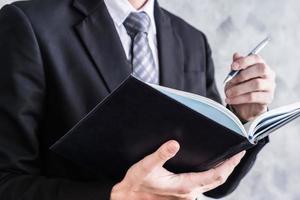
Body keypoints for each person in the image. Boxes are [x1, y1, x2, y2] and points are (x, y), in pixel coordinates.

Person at [0, 0, 276, 199]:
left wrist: (244, 117)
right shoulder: (29, 23)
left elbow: (215, 185)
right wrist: (115, 196)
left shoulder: (192, 41)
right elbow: (6, 181)